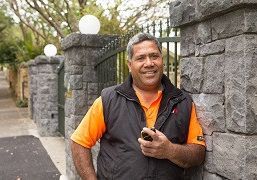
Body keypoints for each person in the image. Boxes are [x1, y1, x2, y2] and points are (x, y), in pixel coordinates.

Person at [71, 32, 206, 180]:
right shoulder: (108, 100)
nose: (149, 63)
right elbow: (79, 143)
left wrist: (169, 150)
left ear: (161, 59)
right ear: (130, 65)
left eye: (154, 56)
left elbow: (198, 153)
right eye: (140, 58)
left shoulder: (183, 101)